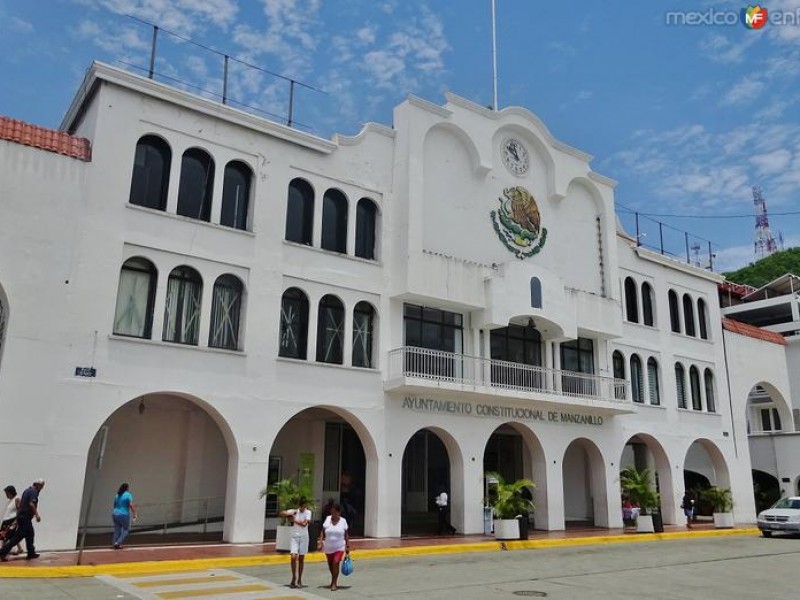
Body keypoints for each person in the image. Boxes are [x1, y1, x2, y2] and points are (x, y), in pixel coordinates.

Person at [0, 478, 44, 562]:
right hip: (25, 518)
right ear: (38, 485)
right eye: (42, 486)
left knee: (30, 534)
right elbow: (31, 504)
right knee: (18, 537)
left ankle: (31, 553)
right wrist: (37, 515)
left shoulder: (27, 490)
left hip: (23, 517)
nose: (42, 488)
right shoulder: (33, 492)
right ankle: (2, 552)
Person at [318, 503, 350, 591]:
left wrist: (347, 545)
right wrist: (320, 542)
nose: (333, 514)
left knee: (336, 562)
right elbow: (322, 532)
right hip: (328, 547)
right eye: (332, 512)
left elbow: (346, 534)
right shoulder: (328, 519)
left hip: (339, 546)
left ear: (339, 512)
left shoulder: (343, 521)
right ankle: (333, 580)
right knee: (330, 565)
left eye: (335, 512)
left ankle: (334, 583)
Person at [280, 497, 311, 589]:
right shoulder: (295, 511)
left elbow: (305, 524)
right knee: (293, 557)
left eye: (304, 506)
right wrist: (288, 513)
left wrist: (294, 520)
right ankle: (294, 576)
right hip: (295, 537)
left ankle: (300, 579)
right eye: (301, 506)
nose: (303, 508)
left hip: (304, 537)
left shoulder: (308, 512)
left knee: (301, 558)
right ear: (299, 505)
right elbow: (281, 513)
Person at [112, 483, 137, 549]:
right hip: (124, 514)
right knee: (126, 530)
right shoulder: (128, 495)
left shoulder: (117, 495)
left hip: (115, 513)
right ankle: (118, 542)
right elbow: (131, 505)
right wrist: (134, 513)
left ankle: (114, 543)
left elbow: (114, 504)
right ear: (127, 488)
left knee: (117, 530)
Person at [0, 486, 23, 556]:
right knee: (11, 536)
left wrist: (16, 521)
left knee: (4, 536)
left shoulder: (17, 499)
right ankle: (20, 548)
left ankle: (2, 553)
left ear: (11, 492)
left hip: (11, 521)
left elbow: (19, 510)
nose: (6, 495)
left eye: (7, 493)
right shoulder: (11, 500)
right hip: (7, 520)